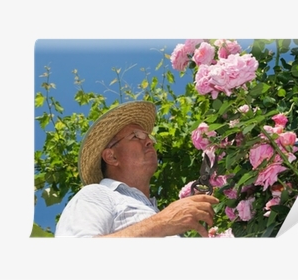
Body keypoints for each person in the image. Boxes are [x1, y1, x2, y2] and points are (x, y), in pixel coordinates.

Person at [54, 101, 220, 237]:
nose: (150, 142)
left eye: (149, 137)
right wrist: (164, 221)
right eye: (136, 136)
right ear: (111, 157)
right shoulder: (96, 195)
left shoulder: (154, 210)